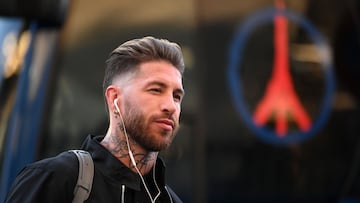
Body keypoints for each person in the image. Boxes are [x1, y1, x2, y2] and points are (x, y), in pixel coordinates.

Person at [5, 36, 185, 203]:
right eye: (155, 90)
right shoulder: (55, 179)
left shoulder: (170, 200)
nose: (170, 106)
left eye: (177, 96)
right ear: (115, 98)